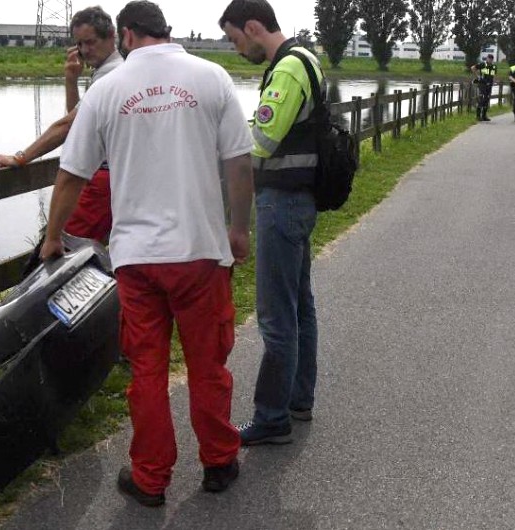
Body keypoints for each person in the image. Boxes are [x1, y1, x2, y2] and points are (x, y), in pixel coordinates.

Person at [41, 0, 255, 507]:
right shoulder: (212, 77)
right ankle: (219, 462)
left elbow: (71, 175)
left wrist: (53, 238)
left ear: (127, 35)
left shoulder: (107, 90)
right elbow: (239, 164)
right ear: (165, 31)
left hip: (137, 259)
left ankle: (150, 477)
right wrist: (239, 229)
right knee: (208, 365)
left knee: (148, 371)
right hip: (201, 252)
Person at [220, 0, 322, 446]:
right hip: (300, 200)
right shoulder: (306, 58)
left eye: (235, 39)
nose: (236, 49)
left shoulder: (287, 69)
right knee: (299, 306)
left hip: (281, 203)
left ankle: (271, 417)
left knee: (276, 315)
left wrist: (219, 134)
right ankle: (298, 399)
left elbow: (261, 141)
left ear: (254, 26)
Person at [0, 7, 123, 274]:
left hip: (102, 181)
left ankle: (44, 312)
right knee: (82, 254)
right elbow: (81, 126)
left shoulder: (111, 74)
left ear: (112, 37)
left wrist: (21, 157)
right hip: (110, 180)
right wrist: (71, 80)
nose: (84, 50)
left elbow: (66, 127)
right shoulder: (108, 71)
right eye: (79, 43)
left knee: (61, 253)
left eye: (91, 42)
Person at [470, 53, 498, 121]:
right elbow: (473, 68)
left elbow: (493, 75)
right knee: (481, 99)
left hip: (489, 84)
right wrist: (478, 77)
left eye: (491, 59)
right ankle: (478, 116)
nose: (490, 60)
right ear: (487, 58)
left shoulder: (494, 66)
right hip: (482, 84)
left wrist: (493, 81)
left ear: (492, 60)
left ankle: (484, 116)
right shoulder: (483, 64)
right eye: (489, 59)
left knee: (487, 99)